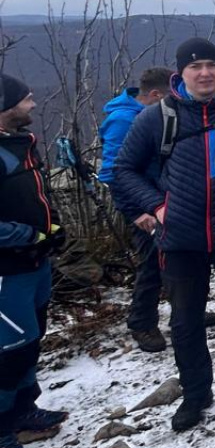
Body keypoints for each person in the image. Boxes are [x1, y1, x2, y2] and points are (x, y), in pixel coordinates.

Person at [110, 38, 215, 431]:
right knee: (185, 322)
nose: (205, 73)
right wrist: (155, 205)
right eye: (195, 66)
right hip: (180, 238)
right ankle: (195, 394)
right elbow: (124, 170)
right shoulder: (157, 118)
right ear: (181, 73)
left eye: (211, 65)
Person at [100, 67, 215, 353]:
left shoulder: (156, 115)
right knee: (153, 264)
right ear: (156, 94)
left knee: (183, 260)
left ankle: (188, 309)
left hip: (169, 201)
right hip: (145, 206)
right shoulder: (123, 120)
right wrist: (136, 213)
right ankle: (142, 322)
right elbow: (113, 172)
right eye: (172, 95)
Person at [0, 75, 70, 447]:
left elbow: (35, 197)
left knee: (30, 341)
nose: (33, 104)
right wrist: (29, 235)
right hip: (7, 271)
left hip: (35, 264)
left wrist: (52, 227)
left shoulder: (21, 145)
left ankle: (24, 409)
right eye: (26, 99)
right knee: (10, 350)